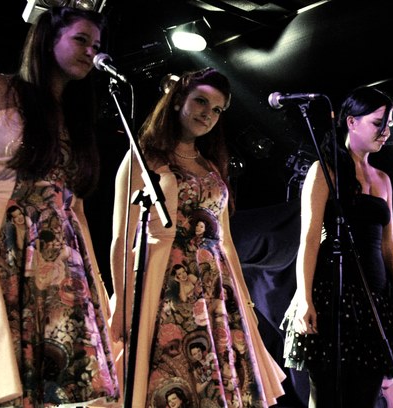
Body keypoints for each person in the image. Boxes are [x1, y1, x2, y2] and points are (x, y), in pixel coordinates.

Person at [110, 67, 285, 407]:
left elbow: (226, 242)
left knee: (218, 383)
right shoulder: (145, 158)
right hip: (164, 281)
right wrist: (121, 302)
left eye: (217, 109)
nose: (208, 114)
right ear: (178, 101)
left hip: (216, 287)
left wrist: (246, 303)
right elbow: (121, 237)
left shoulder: (211, 166)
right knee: (169, 371)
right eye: (201, 101)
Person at [0, 6, 119, 406]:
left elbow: (76, 206)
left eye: (96, 45)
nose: (91, 52)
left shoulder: (74, 117)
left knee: (52, 382)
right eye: (81, 40)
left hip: (59, 254)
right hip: (1, 240)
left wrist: (94, 282)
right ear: (48, 39)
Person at [282, 87, 393, 407]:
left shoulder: (383, 179)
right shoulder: (325, 170)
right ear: (351, 122)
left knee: (365, 395)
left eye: (388, 124)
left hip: (375, 300)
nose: (386, 132)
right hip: (332, 294)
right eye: (378, 123)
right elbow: (309, 239)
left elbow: (390, 247)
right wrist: (304, 298)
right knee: (328, 395)